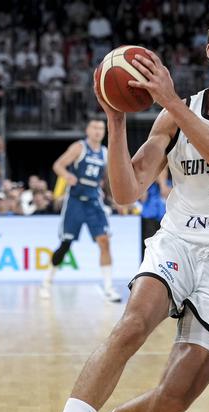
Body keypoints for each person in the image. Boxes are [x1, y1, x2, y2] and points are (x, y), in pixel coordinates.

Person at [54, 4, 209, 412]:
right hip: (179, 242)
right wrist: (116, 120)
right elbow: (126, 191)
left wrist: (170, 102)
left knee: (175, 397)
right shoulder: (173, 115)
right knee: (131, 325)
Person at [41, 120, 119, 303]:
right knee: (66, 244)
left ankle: (108, 288)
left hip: (94, 201)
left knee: (104, 242)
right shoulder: (79, 147)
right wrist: (67, 175)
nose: (98, 131)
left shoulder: (105, 153)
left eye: (101, 128)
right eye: (95, 128)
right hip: (75, 201)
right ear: (87, 130)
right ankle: (47, 281)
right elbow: (58, 165)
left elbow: (107, 180)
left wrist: (115, 198)